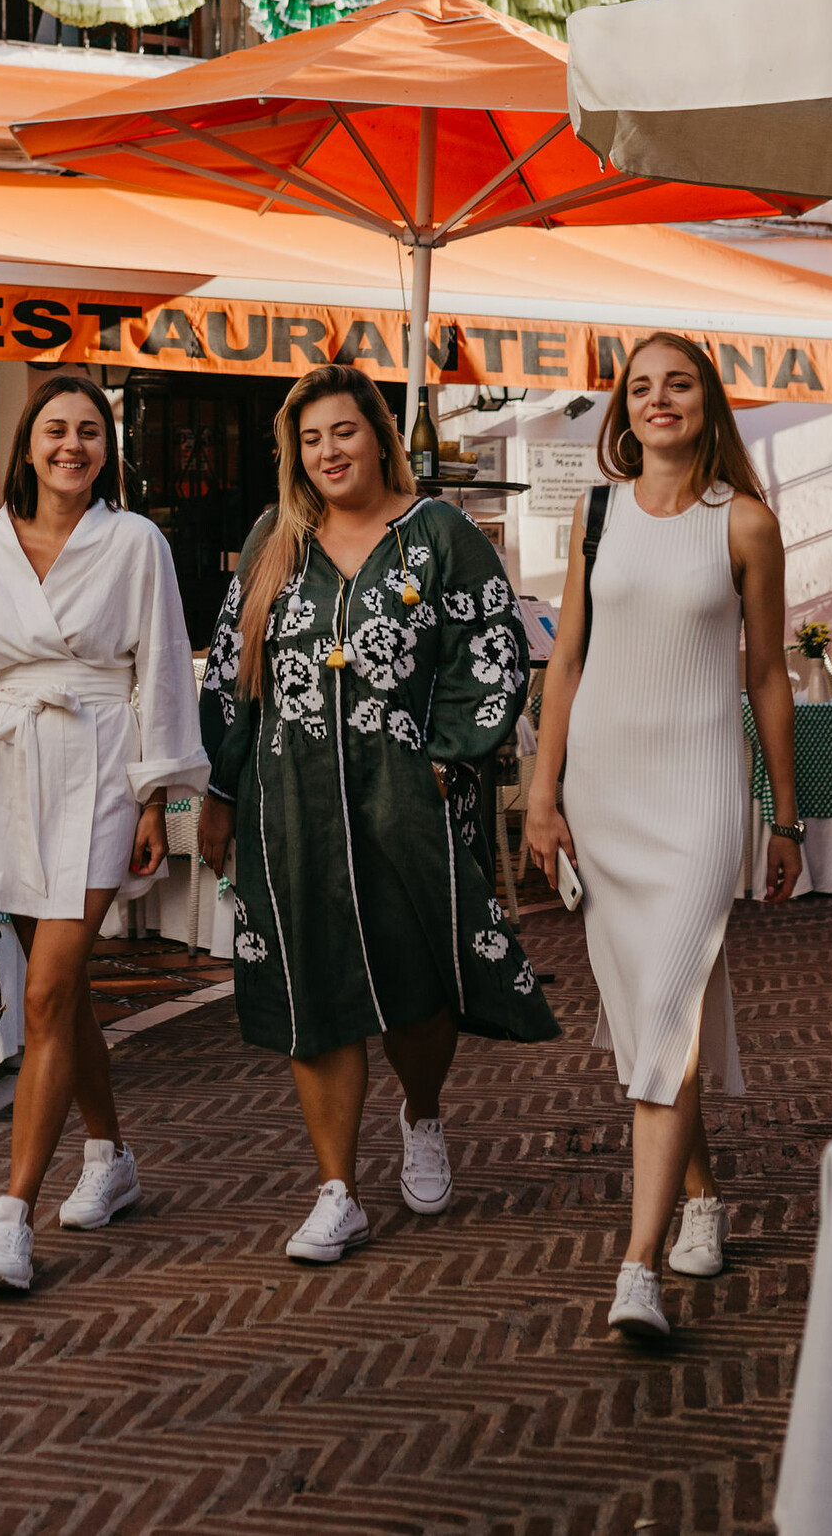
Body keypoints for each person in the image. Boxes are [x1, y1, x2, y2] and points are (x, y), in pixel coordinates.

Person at [196, 367, 556, 1266]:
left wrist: (447, 752)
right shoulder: (272, 542)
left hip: (409, 800)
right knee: (314, 986)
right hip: (295, 805)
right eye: (311, 439)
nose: (328, 452)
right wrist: (222, 790)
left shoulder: (440, 536)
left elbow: (494, 644)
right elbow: (230, 678)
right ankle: (338, 1190)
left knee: (417, 980)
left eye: (344, 433)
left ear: (378, 437)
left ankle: (423, 1113)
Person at [0, 372, 206, 1293]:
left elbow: (159, 667)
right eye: (55, 431)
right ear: (26, 446)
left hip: (100, 768)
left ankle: (11, 1218)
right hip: (4, 775)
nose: (73, 446)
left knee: (41, 998)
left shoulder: (136, 542)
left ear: (106, 450)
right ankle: (108, 1154)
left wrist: (158, 796)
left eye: (89, 432)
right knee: (62, 998)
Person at [526, 332, 799, 1344]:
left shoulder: (749, 525)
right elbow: (565, 664)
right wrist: (544, 795)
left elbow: (766, 676)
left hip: (699, 800)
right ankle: (701, 1196)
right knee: (655, 1022)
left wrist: (785, 811)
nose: (658, 401)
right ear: (622, 412)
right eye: (640, 389)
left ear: (707, 402)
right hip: (604, 794)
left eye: (676, 384)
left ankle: (634, 1267)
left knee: (670, 1011)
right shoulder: (595, 514)